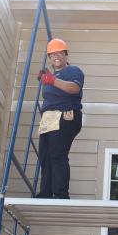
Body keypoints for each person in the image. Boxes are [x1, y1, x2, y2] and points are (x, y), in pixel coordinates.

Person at [36, 38, 84, 199]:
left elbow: (74, 88)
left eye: (59, 53)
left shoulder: (73, 71)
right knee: (45, 156)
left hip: (65, 115)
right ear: (49, 57)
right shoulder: (51, 76)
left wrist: (53, 80)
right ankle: (46, 192)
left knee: (57, 154)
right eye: (52, 54)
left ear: (66, 54)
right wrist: (49, 79)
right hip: (48, 118)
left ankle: (61, 194)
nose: (55, 56)